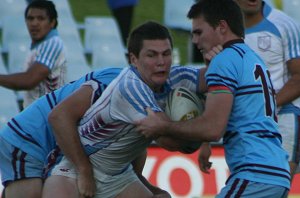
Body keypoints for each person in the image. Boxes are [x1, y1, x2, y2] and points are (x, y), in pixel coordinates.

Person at [136, 0, 291, 197]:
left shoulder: (224, 61)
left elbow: (213, 128)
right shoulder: (252, 58)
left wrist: (162, 126)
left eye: (198, 32)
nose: (194, 40)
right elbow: (235, 113)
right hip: (276, 172)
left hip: (254, 173)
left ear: (222, 27)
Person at [42, 21, 208, 198]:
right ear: (133, 60)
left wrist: (226, 53)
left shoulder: (174, 76)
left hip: (118, 177)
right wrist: (84, 171)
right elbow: (172, 142)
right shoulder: (131, 87)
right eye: (151, 55)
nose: (161, 62)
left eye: (166, 54)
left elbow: (215, 77)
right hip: (76, 170)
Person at [0, 67, 122, 198]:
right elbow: (58, 116)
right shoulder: (118, 82)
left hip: (59, 145)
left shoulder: (131, 87)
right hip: (29, 137)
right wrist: (84, 171)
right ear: (134, 59)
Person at [234, 0, 300, 182]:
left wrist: (265, 107)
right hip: (243, 123)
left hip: (283, 118)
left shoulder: (284, 25)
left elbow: (299, 78)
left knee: (275, 185)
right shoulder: (223, 30)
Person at [0, 0, 67, 108]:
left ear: (52, 22)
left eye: (41, 18)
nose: (34, 23)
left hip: (46, 116)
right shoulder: (40, 46)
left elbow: (29, 80)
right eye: (30, 18)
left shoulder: (53, 43)